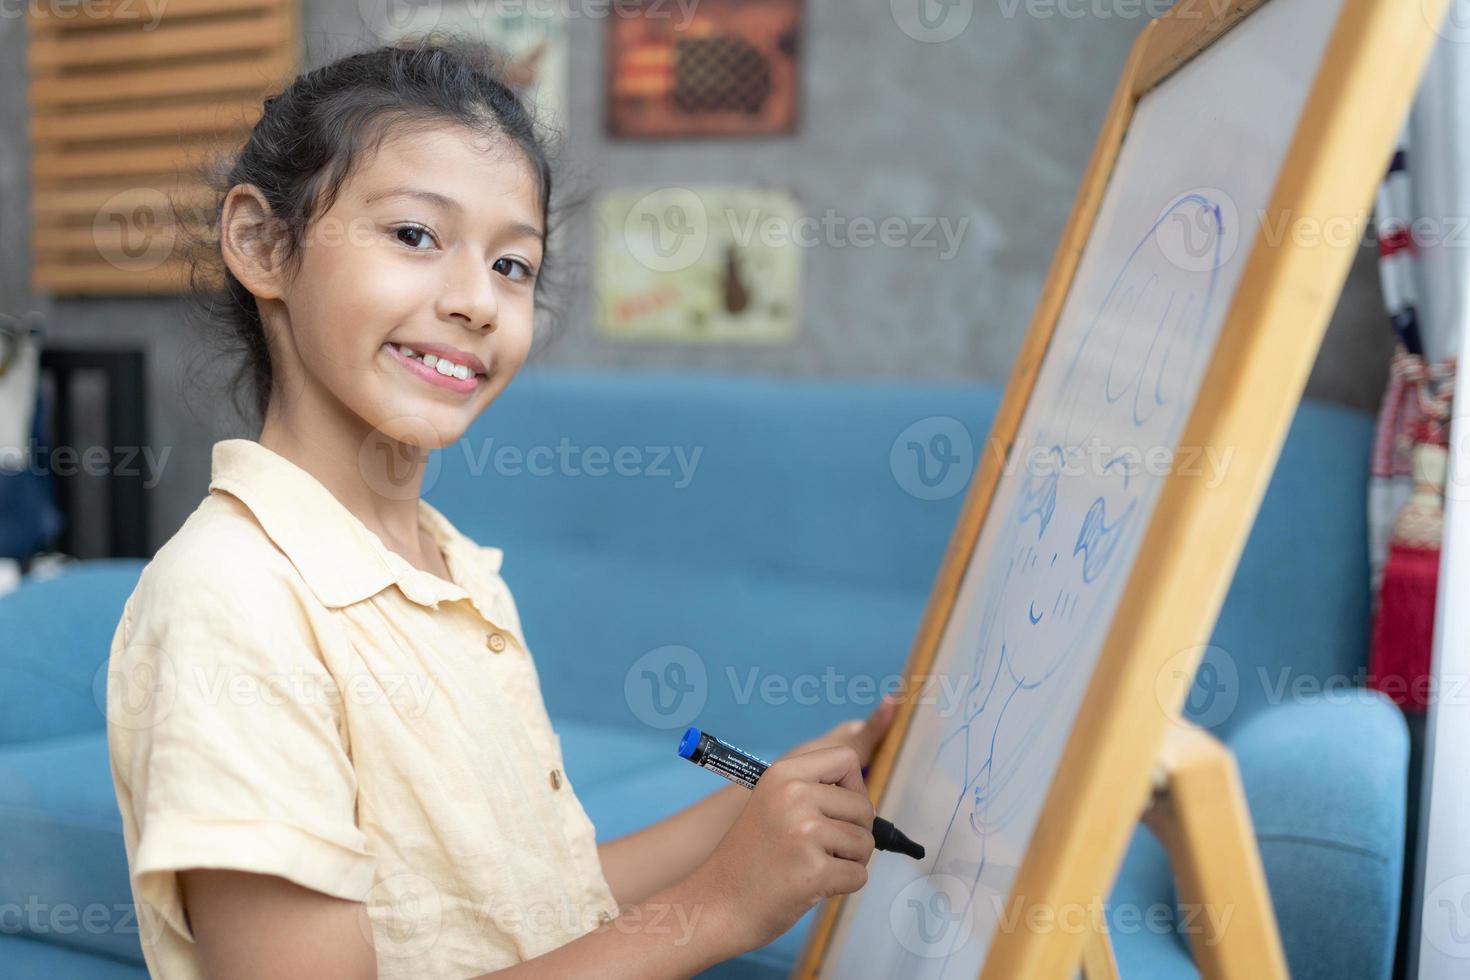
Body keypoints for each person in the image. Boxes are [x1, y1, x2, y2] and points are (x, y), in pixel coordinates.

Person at [104, 34, 899, 980]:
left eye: (513, 265)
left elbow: (528, 910)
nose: (478, 303)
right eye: (413, 236)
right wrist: (715, 911)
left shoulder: (452, 568)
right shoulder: (231, 601)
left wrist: (762, 807)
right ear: (264, 244)